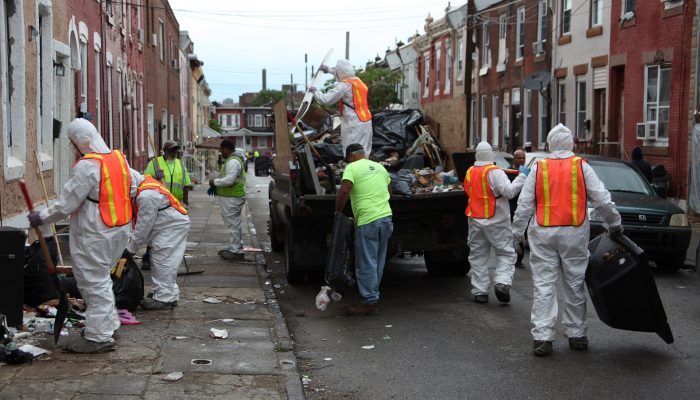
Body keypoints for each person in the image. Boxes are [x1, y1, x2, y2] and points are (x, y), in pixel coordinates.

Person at [28, 118, 142, 353]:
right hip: (118, 229)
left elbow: (67, 204)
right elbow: (133, 186)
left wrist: (42, 217)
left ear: (83, 141)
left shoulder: (88, 166)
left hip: (95, 232)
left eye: (72, 143)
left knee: (93, 282)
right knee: (100, 279)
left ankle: (98, 336)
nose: (72, 148)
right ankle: (108, 325)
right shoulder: (118, 159)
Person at [512, 124, 622, 357]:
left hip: (543, 233)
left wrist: (517, 233)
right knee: (574, 283)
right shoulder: (581, 166)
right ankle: (577, 334)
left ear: (550, 144)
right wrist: (614, 224)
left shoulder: (539, 168)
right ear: (571, 143)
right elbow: (602, 200)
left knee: (544, 285)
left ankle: (542, 337)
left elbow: (525, 204)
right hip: (574, 232)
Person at [465, 142, 527, 304]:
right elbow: (509, 192)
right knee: (506, 253)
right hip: (496, 220)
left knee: (478, 256)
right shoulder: (495, 173)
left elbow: (469, 192)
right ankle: (502, 282)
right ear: (491, 156)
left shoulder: (470, 172)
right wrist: (522, 176)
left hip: (475, 220)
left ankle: (480, 291)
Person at [335, 143, 393, 316]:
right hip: (386, 219)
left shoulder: (352, 168)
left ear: (351, 156)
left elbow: (344, 190)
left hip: (368, 220)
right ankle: (373, 295)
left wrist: (338, 212)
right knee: (378, 261)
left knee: (366, 262)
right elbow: (390, 190)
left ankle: (369, 302)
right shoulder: (380, 168)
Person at [126, 175, 190, 310]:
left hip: (170, 227)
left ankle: (163, 298)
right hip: (170, 224)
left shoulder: (147, 195)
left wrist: (130, 249)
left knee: (163, 260)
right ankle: (168, 294)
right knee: (167, 261)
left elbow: (143, 226)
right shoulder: (144, 185)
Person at [142, 140, 192, 270]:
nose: (174, 152)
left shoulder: (180, 164)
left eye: (175, 150)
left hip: (176, 203)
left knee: (172, 230)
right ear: (164, 151)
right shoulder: (155, 163)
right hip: (159, 202)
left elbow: (186, 184)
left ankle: (169, 256)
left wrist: (185, 202)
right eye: (171, 150)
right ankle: (147, 256)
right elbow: (145, 181)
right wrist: (155, 178)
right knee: (155, 229)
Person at [310, 59, 373, 155]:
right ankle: (364, 168)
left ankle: (353, 169)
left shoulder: (344, 86)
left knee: (352, 150)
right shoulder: (358, 81)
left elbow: (326, 99)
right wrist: (328, 70)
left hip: (353, 123)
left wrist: (315, 92)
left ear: (340, 73)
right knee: (364, 149)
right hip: (366, 120)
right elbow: (342, 74)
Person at [209, 140, 247, 261]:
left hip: (232, 197)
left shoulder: (233, 162)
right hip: (232, 197)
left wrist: (214, 182)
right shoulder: (234, 160)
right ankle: (236, 248)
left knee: (233, 224)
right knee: (234, 223)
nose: (221, 152)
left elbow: (230, 180)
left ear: (226, 149)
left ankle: (235, 251)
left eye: (221, 150)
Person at [510, 149, 528, 268]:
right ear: (514, 159)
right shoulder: (508, 171)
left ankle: (518, 259)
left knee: (522, 234)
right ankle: (511, 257)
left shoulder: (527, 172)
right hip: (511, 208)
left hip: (523, 208)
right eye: (519, 158)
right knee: (511, 235)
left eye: (523, 158)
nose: (521, 160)